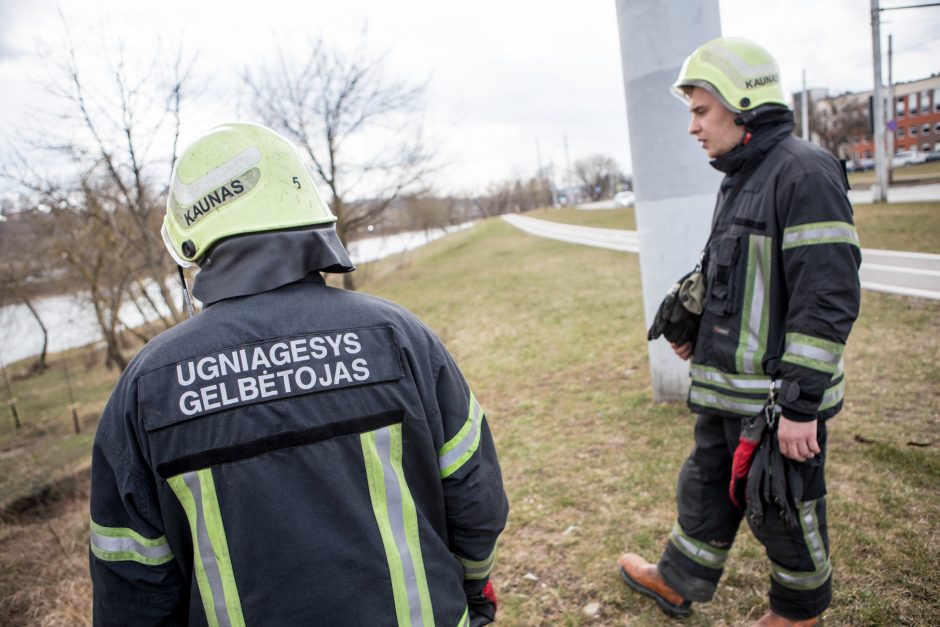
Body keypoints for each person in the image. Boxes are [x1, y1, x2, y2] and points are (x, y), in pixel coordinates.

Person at [89, 122, 509, 626]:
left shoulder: (148, 387)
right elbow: (474, 496)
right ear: (308, 216)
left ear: (191, 244)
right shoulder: (398, 336)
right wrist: (470, 584)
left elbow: (131, 582)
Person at [618, 38, 861, 626]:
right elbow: (738, 273)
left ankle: (798, 613)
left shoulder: (805, 172)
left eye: (701, 111)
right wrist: (696, 321)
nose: (693, 128)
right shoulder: (741, 174)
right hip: (729, 390)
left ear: (742, 105)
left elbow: (826, 295)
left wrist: (801, 403)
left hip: (777, 402)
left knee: (781, 503)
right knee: (704, 487)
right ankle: (678, 581)